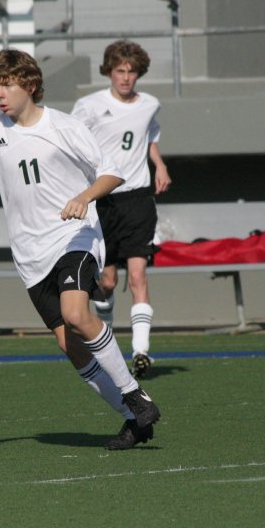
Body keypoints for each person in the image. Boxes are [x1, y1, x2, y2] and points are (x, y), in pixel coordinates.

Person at [0, 49, 161, 450]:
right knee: (70, 345)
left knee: (75, 313)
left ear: (30, 85)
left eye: (7, 84)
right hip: (30, 257)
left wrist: (85, 196)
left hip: (75, 238)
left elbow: (112, 171)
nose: (0, 92)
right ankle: (135, 420)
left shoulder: (64, 126)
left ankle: (135, 393)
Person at [70, 40, 171, 379]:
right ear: (109, 72)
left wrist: (159, 165)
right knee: (108, 282)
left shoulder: (150, 104)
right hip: (104, 201)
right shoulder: (88, 106)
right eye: (119, 71)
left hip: (138, 199)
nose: (125, 78)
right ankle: (107, 347)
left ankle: (141, 351)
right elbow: (71, 142)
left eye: (131, 72)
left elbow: (149, 136)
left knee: (139, 276)